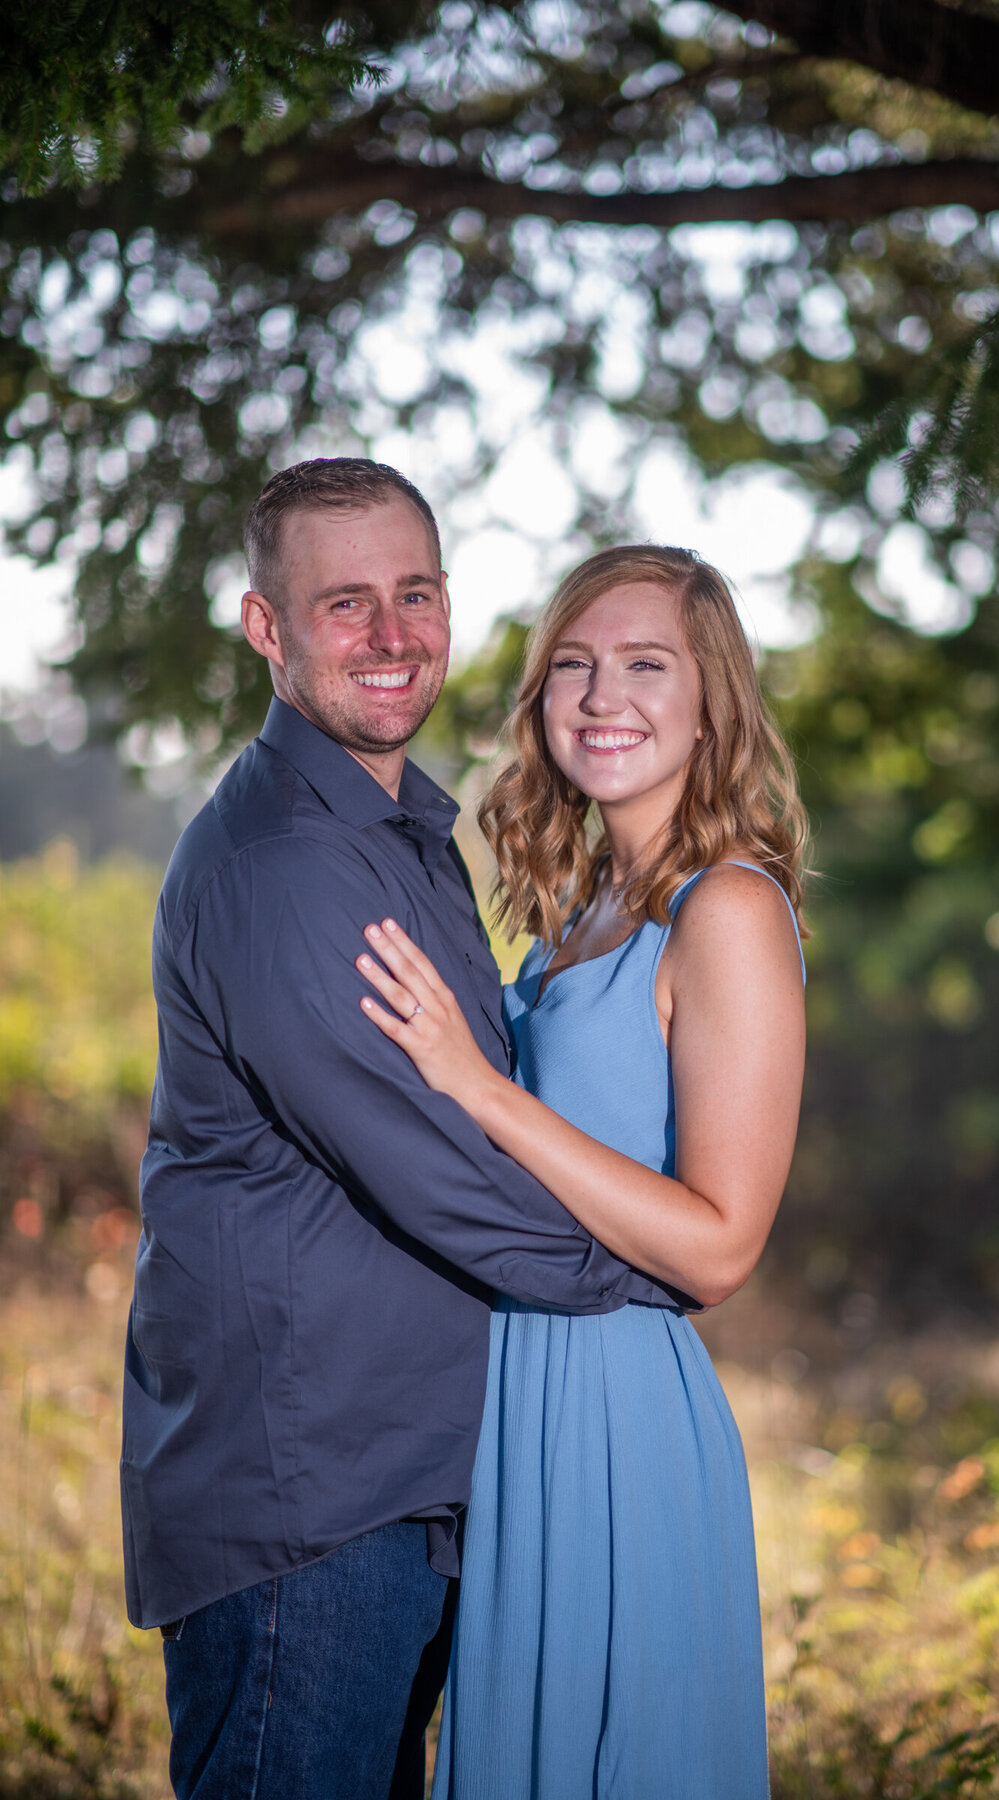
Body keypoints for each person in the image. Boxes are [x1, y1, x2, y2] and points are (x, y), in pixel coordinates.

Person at [121, 460, 684, 1800]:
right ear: (267, 628)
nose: (392, 634)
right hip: (308, 1504)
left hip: (402, 1481)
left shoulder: (398, 830)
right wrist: (663, 1274)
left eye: (415, 594)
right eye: (345, 603)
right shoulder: (287, 862)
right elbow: (445, 1176)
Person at [355, 544, 809, 1799]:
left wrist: (479, 1084)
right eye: (575, 667)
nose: (604, 697)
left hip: (616, 1408)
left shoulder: (729, 909)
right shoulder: (585, 912)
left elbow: (722, 1244)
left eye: (647, 666)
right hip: (516, 1397)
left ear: (712, 701)